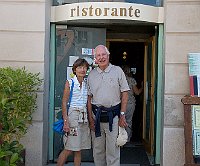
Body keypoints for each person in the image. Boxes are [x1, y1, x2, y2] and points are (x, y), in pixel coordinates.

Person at [87, 45, 130, 166]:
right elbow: (89, 98)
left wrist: (122, 115)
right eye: (98, 55)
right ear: (95, 58)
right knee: (98, 151)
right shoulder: (91, 75)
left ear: (108, 55)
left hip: (114, 117)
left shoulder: (117, 71)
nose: (101, 58)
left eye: (103, 54)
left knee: (113, 151)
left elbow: (125, 93)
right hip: (96, 117)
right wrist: (90, 119)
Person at [57, 58, 91, 166]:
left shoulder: (86, 83)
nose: (82, 70)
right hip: (73, 117)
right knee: (69, 148)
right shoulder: (70, 82)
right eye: (80, 67)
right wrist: (66, 121)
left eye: (84, 67)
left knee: (78, 148)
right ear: (75, 70)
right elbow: (64, 102)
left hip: (83, 118)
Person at [122, 65, 143, 142]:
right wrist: (143, 87)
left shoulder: (118, 80)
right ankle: (127, 139)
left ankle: (120, 139)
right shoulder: (131, 80)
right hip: (130, 103)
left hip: (120, 103)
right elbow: (137, 92)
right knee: (128, 121)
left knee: (119, 120)